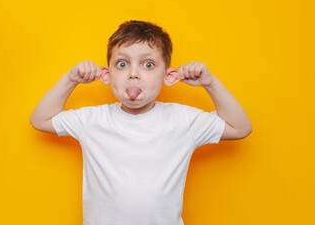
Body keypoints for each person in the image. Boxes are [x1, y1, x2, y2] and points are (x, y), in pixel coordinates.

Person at [30, 20, 252, 225]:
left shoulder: (183, 120)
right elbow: (40, 119)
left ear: (168, 76)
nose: (133, 74)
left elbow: (240, 127)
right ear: (106, 76)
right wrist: (71, 79)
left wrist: (210, 83)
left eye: (147, 64)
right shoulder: (92, 119)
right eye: (122, 64)